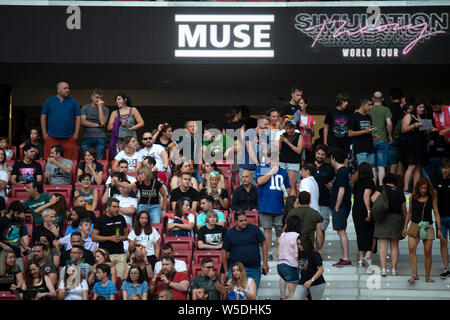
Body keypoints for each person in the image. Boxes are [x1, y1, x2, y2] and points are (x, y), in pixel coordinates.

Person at [404, 178, 442, 283]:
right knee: (411, 248)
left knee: (428, 251)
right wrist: (405, 226)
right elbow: (409, 212)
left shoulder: (431, 197)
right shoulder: (413, 197)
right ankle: (414, 274)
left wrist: (439, 228)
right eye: (422, 188)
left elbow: (436, 212)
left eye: (425, 188)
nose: (423, 190)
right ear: (418, 188)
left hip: (427, 225)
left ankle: (427, 276)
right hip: (414, 224)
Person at [371, 173, 407, 276]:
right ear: (395, 182)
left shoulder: (382, 188)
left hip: (383, 218)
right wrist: (405, 224)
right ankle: (394, 269)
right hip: (397, 219)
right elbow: (404, 209)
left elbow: (373, 199)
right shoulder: (400, 192)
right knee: (394, 245)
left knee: (383, 244)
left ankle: (383, 269)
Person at [222, 210, 269, 288]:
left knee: (252, 294)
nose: (244, 222)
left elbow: (264, 243)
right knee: (235, 295)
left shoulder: (254, 229)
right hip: (235, 270)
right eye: (241, 221)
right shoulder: (229, 233)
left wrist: (265, 263)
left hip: (253, 268)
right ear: (235, 221)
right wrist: (226, 271)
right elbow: (224, 251)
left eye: (245, 220)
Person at [256, 158, 290, 261]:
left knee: (279, 230)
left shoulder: (283, 171)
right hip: (266, 205)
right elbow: (260, 181)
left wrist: (286, 193)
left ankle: (280, 253)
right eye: (273, 160)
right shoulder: (261, 168)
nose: (275, 162)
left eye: (277, 160)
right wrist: (271, 171)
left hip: (279, 205)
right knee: (267, 229)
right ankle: (268, 252)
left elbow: (287, 187)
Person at [402, 100, 436, 193]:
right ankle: (405, 189)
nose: (422, 109)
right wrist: (414, 125)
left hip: (420, 145)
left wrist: (430, 129)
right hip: (411, 145)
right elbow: (403, 129)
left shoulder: (422, 118)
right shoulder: (409, 116)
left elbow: (424, 133)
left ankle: (414, 190)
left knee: (418, 167)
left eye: (423, 107)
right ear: (415, 108)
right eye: (420, 107)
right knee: (411, 166)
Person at [40, 81, 81, 160]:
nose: (67, 90)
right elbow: (43, 117)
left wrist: (76, 134)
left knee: (71, 162)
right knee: (50, 161)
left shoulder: (73, 102)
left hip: (69, 138)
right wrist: (44, 133)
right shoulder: (49, 101)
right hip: (52, 137)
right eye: (65, 88)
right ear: (58, 90)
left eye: (68, 88)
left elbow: (78, 118)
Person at [92, 198, 129, 279]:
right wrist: (110, 238)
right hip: (106, 255)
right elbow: (94, 237)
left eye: (118, 207)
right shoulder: (100, 220)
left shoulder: (121, 218)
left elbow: (126, 235)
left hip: (120, 254)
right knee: (107, 278)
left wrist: (122, 238)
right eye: (114, 207)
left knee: (120, 279)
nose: (117, 209)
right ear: (108, 207)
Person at [330, 148, 352, 267]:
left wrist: (337, 206)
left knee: (341, 231)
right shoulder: (343, 171)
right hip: (343, 205)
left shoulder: (342, 171)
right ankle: (345, 256)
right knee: (340, 231)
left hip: (341, 206)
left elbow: (342, 190)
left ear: (333, 158)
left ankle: (346, 257)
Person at [351, 162, 376, 267]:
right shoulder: (370, 182)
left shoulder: (357, 183)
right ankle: (368, 255)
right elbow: (366, 195)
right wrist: (369, 210)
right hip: (365, 210)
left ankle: (361, 259)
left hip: (356, 210)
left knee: (360, 233)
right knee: (370, 233)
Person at [367, 91, 393, 186]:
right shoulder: (386, 109)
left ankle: (373, 186)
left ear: (373, 99)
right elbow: (389, 123)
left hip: (370, 140)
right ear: (383, 99)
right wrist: (390, 135)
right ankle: (382, 187)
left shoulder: (368, 109)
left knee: (373, 166)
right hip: (382, 139)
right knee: (381, 165)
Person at [107, 93, 144, 158]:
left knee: (134, 158)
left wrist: (133, 127)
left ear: (125, 100)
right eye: (116, 100)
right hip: (120, 141)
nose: (117, 101)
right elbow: (109, 127)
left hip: (132, 140)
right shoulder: (114, 113)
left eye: (119, 99)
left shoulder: (133, 110)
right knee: (121, 159)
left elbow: (141, 122)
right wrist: (119, 123)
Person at [312, 145, 335, 241]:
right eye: (318, 154)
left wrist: (331, 184)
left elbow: (333, 182)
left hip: (324, 201)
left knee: (322, 228)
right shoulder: (309, 167)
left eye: (322, 155)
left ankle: (318, 251)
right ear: (315, 153)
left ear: (326, 156)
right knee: (310, 228)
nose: (320, 156)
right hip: (311, 201)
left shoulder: (329, 168)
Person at [80, 88, 110, 160]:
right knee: (86, 157)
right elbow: (83, 122)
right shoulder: (85, 108)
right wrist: (97, 125)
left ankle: (97, 171)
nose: (98, 100)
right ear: (92, 97)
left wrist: (100, 107)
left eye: (100, 98)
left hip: (100, 137)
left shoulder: (105, 109)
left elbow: (102, 122)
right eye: (97, 97)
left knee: (98, 158)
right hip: (87, 136)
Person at [238, 116, 270, 184]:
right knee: (245, 192)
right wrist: (257, 164)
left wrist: (268, 153)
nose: (267, 126)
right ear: (259, 124)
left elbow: (265, 154)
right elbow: (250, 150)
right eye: (265, 124)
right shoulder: (250, 131)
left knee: (257, 192)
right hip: (247, 167)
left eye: (268, 124)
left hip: (258, 168)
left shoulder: (265, 136)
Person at [0, 200, 30, 271]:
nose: (19, 215)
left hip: (17, 253)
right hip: (4, 255)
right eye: (17, 213)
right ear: (11, 211)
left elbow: (19, 237)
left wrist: (25, 247)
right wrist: (4, 246)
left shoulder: (18, 220)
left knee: (21, 273)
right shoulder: (2, 221)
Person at [433, 158, 450, 279]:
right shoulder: (437, 180)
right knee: (443, 242)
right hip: (441, 216)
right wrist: (437, 220)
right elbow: (435, 201)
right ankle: (446, 267)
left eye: (447, 168)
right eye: (443, 168)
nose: (445, 170)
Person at [277, 216, 300, 300]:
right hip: (291, 264)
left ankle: (282, 297)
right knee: (292, 295)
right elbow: (296, 252)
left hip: (280, 264)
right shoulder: (297, 236)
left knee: (283, 278)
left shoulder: (282, 235)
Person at [348, 98, 375, 169]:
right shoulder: (353, 117)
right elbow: (350, 133)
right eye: (369, 105)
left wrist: (374, 135)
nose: (371, 107)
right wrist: (364, 131)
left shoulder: (369, 117)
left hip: (370, 147)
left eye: (372, 105)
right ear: (363, 104)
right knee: (362, 170)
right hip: (360, 148)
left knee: (370, 170)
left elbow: (368, 131)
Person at [296, 234, 325, 300]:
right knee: (296, 297)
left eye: (301, 244)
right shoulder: (300, 254)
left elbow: (321, 270)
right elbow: (303, 269)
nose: (299, 246)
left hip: (317, 283)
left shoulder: (314, 254)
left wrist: (311, 280)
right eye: (298, 244)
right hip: (303, 282)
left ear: (306, 244)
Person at [278, 120, 303, 193]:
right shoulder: (283, 135)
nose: (288, 130)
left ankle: (290, 204)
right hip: (282, 162)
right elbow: (279, 149)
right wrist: (280, 141)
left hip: (293, 163)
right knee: (281, 186)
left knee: (290, 187)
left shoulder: (299, 136)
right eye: (286, 128)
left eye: (290, 128)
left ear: (294, 127)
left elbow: (299, 150)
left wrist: (288, 142)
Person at [293, 97, 316, 164]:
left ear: (306, 105)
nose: (300, 105)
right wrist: (300, 125)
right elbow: (290, 127)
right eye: (298, 104)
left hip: (307, 146)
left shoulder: (311, 118)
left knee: (306, 164)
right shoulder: (296, 116)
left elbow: (312, 134)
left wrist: (310, 128)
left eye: (301, 103)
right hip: (297, 145)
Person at [388, 88, 404, 175]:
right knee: (404, 162)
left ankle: (391, 182)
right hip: (404, 137)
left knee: (393, 163)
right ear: (401, 97)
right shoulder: (403, 108)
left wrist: (389, 135)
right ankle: (402, 183)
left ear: (391, 97)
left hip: (392, 138)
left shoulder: (388, 109)